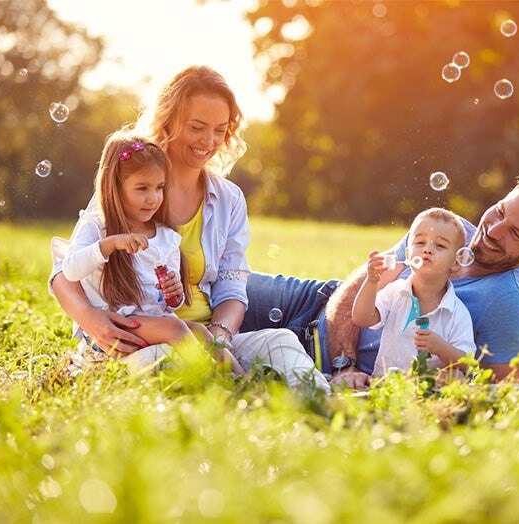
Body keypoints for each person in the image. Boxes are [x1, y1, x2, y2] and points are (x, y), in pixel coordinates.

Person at [50, 66, 329, 392]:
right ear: (168, 121)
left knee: (280, 341)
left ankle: (323, 405)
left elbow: (232, 287)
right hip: (142, 340)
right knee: (169, 362)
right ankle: (238, 398)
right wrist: (90, 320)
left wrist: (220, 339)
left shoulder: (228, 199)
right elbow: (64, 270)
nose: (209, 141)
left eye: (220, 130)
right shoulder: (132, 184)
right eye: (197, 127)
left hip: (205, 338)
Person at [240, 174, 519, 389]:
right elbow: (359, 285)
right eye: (501, 211)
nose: (493, 230)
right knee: (215, 287)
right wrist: (345, 363)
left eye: (515, 233)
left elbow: (502, 392)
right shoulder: (449, 228)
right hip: (314, 301)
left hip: (320, 360)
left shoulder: (510, 306)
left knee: (213, 342)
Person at [59, 130, 242, 373]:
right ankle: (209, 380)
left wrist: (174, 294)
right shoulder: (97, 226)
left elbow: (170, 305)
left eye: (159, 187)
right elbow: (70, 270)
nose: (153, 198)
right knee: (176, 330)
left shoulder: (165, 236)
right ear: (114, 186)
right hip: (116, 327)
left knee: (200, 332)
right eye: (142, 188)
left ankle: (241, 381)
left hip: (152, 322)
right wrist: (110, 244)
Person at [352, 208, 475, 377]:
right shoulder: (395, 292)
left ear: (455, 263)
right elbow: (361, 318)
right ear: (408, 253)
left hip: (428, 391)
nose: (428, 249)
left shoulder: (456, 313)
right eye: (420, 242)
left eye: (440, 245)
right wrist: (371, 282)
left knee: (456, 376)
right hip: (387, 387)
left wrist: (441, 347)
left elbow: (468, 363)